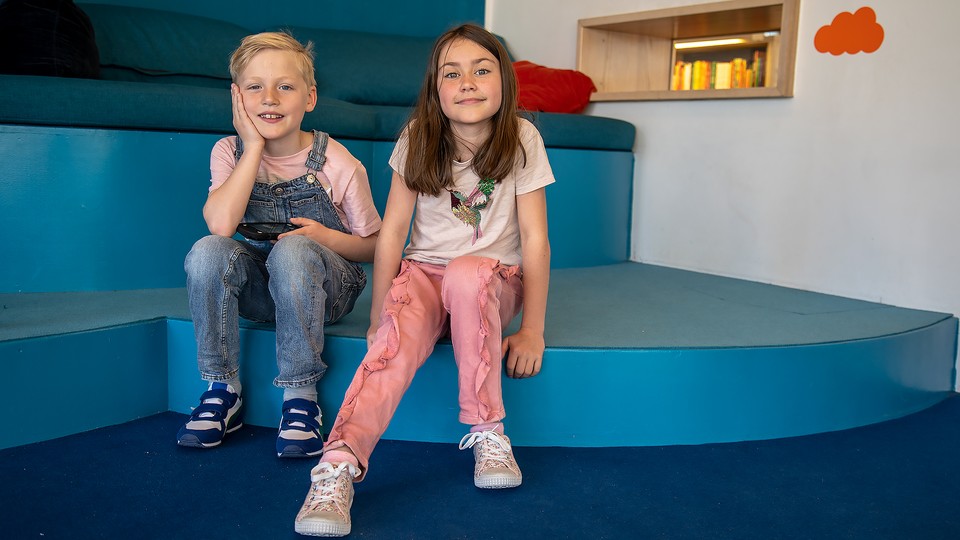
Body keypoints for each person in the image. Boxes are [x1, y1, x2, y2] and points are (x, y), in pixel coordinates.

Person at [293, 23, 554, 537]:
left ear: (504, 81)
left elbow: (536, 240)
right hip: (425, 277)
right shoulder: (418, 136)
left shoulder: (523, 137)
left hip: (492, 280)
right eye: (451, 74)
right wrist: (378, 317)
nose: (467, 83)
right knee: (392, 346)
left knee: (467, 271)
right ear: (435, 89)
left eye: (482, 70)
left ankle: (488, 429)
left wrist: (532, 330)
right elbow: (392, 233)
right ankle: (337, 465)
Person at [177, 32, 382, 458]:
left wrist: (323, 237)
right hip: (266, 290)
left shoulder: (337, 162)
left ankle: (301, 397)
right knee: (207, 250)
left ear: (310, 97)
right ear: (237, 97)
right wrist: (253, 147)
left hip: (328, 291)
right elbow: (221, 225)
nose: (269, 98)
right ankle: (222, 388)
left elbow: (376, 246)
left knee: (293, 251)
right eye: (255, 87)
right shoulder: (229, 151)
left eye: (284, 86)